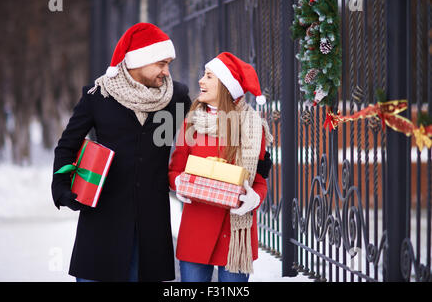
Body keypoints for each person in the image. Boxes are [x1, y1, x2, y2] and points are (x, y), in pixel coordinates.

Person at [51, 23, 191, 282]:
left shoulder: (177, 98)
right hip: (103, 216)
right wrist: (61, 187)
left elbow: (200, 138)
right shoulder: (98, 95)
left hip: (151, 220)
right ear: (139, 61)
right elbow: (68, 145)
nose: (166, 71)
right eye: (161, 63)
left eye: (168, 64)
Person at [168, 52, 273, 282]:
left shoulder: (254, 127)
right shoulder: (191, 122)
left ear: (226, 85)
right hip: (196, 231)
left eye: (208, 77)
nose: (200, 81)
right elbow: (175, 169)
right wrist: (180, 183)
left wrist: (253, 199)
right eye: (203, 76)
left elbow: (259, 181)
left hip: (234, 238)